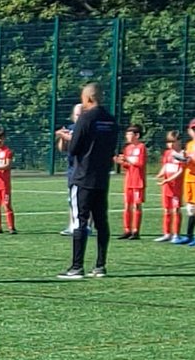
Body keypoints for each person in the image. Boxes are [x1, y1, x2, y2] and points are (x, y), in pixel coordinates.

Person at [58, 83, 119, 279]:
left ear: (89, 98)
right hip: (102, 177)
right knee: (101, 221)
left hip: (83, 176)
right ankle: (100, 266)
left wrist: (68, 138)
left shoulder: (85, 118)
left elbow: (74, 148)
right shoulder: (110, 120)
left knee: (80, 221)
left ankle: (77, 267)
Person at [55, 103, 85, 236]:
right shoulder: (71, 128)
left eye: (81, 114)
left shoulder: (87, 128)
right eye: (77, 115)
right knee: (71, 199)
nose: (78, 117)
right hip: (72, 168)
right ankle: (72, 224)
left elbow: (78, 141)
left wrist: (67, 136)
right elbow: (63, 148)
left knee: (84, 199)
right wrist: (62, 138)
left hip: (84, 169)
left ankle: (85, 226)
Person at [114, 125, 147, 240]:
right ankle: (127, 229)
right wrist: (120, 162)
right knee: (127, 205)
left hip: (138, 181)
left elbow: (140, 163)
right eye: (127, 134)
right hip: (129, 180)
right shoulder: (127, 148)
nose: (127, 136)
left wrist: (127, 159)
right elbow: (128, 166)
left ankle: (136, 231)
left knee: (136, 205)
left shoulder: (141, 147)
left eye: (130, 134)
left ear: (137, 135)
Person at [155, 130, 186, 243]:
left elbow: (181, 171)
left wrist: (169, 179)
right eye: (168, 141)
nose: (171, 144)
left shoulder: (182, 154)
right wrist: (160, 174)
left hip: (176, 187)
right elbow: (165, 166)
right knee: (167, 210)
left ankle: (176, 234)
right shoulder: (167, 153)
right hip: (167, 186)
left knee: (176, 210)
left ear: (179, 141)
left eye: (173, 141)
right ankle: (167, 233)